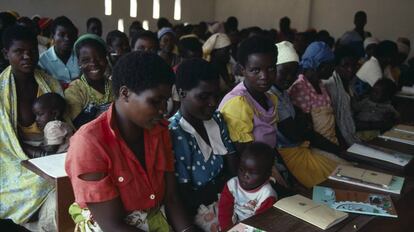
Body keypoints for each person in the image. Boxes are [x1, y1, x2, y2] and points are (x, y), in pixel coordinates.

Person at [66, 52, 200, 232]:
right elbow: (112, 225)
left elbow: (171, 198)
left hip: (154, 221)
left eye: (166, 101)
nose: (163, 110)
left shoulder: (159, 131)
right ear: (125, 93)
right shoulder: (89, 144)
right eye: (155, 101)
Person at [0, 25, 64, 231]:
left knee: (68, 174)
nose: (27, 56)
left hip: (51, 150)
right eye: (19, 51)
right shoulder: (1, 90)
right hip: (12, 156)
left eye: (32, 51)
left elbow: (64, 124)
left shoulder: (50, 83)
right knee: (40, 182)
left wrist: (48, 153)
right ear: (6, 54)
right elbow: (4, 141)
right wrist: (34, 154)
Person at [169, 59, 238, 229]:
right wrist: (222, 182)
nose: (213, 103)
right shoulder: (175, 133)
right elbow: (187, 198)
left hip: (229, 197)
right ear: (181, 93)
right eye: (203, 96)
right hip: (201, 212)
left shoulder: (217, 120)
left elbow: (235, 170)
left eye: (216, 95)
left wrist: (217, 186)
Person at [219, 35, 290, 187]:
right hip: (251, 177)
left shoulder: (269, 98)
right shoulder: (238, 104)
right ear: (242, 70)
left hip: (267, 166)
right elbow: (244, 162)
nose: (264, 76)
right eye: (255, 70)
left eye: (271, 69)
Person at [271, 41, 339, 188]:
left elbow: (300, 126)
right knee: (330, 183)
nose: (290, 77)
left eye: (294, 72)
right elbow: (294, 133)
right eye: (285, 72)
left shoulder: (282, 93)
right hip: (289, 153)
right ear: (272, 69)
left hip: (300, 149)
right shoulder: (272, 96)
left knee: (338, 174)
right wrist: (302, 124)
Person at [218, 142, 277, 231]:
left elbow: (260, 222)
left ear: (267, 175)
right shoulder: (232, 185)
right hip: (234, 217)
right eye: (242, 169)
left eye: (252, 173)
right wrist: (227, 228)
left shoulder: (267, 195)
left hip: (253, 224)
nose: (245, 175)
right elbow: (224, 210)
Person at [288, 41, 339, 145]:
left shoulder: (320, 84)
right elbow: (307, 131)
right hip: (317, 146)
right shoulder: (300, 87)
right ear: (321, 66)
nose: (333, 69)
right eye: (331, 65)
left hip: (331, 142)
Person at [64, 34, 114, 128]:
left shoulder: (114, 86)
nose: (93, 63)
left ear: (106, 59)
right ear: (79, 63)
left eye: (99, 58)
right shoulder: (75, 91)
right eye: (86, 60)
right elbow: (77, 125)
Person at [323, 46, 361, 147]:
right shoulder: (330, 83)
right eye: (345, 65)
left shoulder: (349, 83)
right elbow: (335, 119)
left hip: (348, 131)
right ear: (336, 66)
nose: (350, 69)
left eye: (354, 65)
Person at [39, 16, 79, 86]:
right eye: (62, 35)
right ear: (52, 37)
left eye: (70, 35)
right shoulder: (42, 60)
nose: (67, 39)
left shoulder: (80, 55)